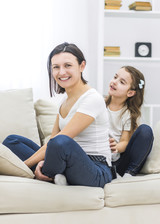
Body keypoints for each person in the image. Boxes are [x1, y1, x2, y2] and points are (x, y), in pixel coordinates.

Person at [2, 42, 114, 187]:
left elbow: (60, 141)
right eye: (56, 67)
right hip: (66, 161)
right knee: (12, 141)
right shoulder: (64, 100)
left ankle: (44, 172)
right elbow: (51, 141)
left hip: (95, 170)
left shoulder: (92, 99)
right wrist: (43, 159)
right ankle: (50, 172)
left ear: (82, 66)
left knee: (62, 142)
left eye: (68, 65)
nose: (61, 72)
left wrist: (20, 166)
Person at [105, 65, 153, 178]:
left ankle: (129, 173)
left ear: (130, 93)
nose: (114, 82)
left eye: (122, 82)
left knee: (145, 130)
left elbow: (125, 141)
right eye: (115, 77)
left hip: (117, 162)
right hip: (98, 158)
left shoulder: (128, 114)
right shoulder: (99, 104)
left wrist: (115, 147)